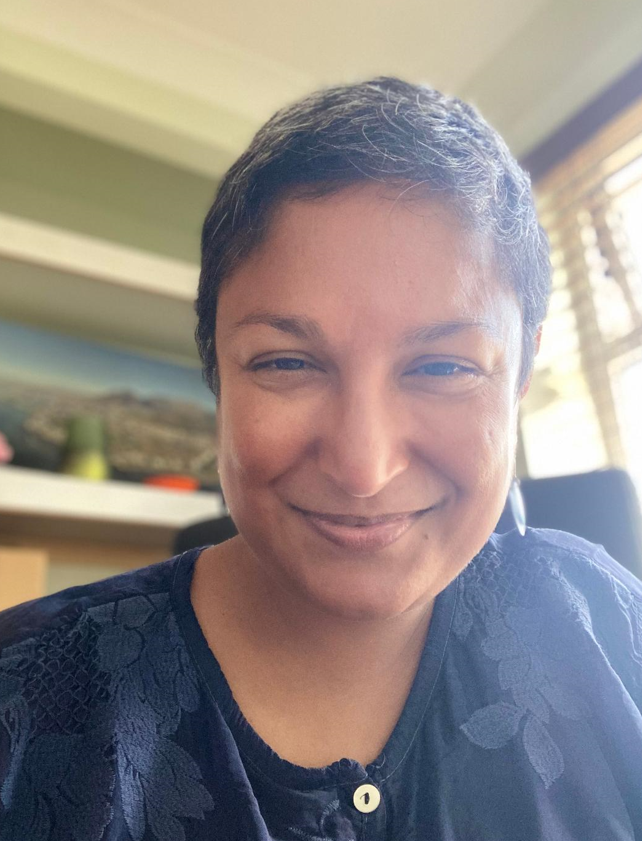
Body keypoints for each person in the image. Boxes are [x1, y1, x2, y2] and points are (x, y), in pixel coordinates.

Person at [1, 77, 641, 841]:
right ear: (217, 372)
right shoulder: (24, 701)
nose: (363, 468)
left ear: (522, 375)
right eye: (286, 362)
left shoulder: (607, 624)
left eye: (444, 366)